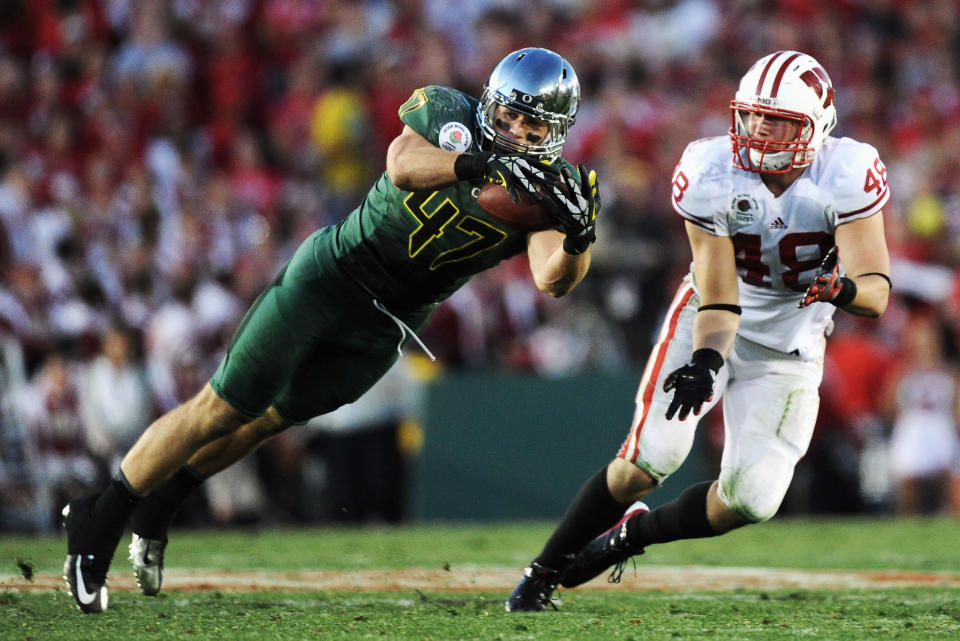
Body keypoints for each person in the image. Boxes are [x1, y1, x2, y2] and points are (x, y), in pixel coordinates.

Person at [62, 47, 601, 614]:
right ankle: (99, 516)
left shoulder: (552, 187)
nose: (516, 129)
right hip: (331, 278)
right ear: (489, 103)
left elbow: (553, 280)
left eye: (532, 121)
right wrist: (478, 166)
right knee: (222, 407)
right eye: (509, 114)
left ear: (556, 131)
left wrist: (578, 235)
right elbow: (402, 164)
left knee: (269, 421)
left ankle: (164, 498)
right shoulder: (452, 113)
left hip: (389, 324)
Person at [506, 50, 892, 612]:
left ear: (818, 126)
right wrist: (708, 360)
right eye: (753, 115)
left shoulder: (847, 173)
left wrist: (843, 291)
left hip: (790, 345)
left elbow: (875, 291)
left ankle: (629, 537)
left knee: (752, 499)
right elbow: (717, 289)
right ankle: (543, 571)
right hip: (709, 319)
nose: (760, 130)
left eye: (779, 120)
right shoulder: (711, 169)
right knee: (646, 461)